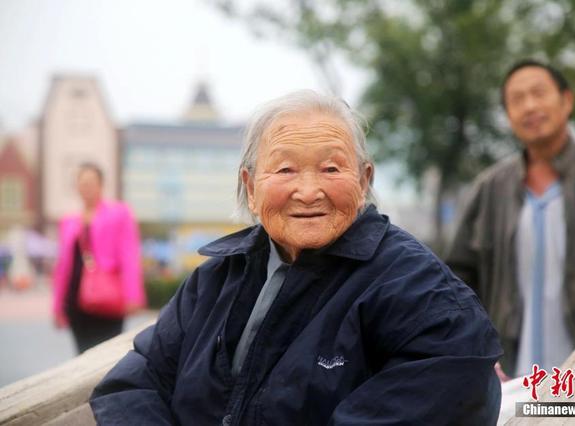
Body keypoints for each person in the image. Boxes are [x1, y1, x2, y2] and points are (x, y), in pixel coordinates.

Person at [90, 90, 503, 425]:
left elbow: (450, 387)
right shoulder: (215, 278)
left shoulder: (418, 289)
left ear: (364, 181)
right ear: (250, 187)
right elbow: (133, 384)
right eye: (285, 170)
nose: (308, 191)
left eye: (330, 169)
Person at [447, 59, 575, 379]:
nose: (530, 105)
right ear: (508, 115)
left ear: (567, 100)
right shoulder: (487, 191)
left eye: (539, 93)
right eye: (517, 99)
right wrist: (476, 355)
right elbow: (456, 284)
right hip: (513, 382)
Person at [52, 163, 146, 353]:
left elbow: (129, 256)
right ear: (77, 187)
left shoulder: (119, 214)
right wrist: (58, 306)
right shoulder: (69, 221)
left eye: (91, 183)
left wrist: (133, 295)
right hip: (76, 300)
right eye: (83, 183)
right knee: (82, 354)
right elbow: (63, 267)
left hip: (108, 297)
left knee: (107, 357)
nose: (86, 188)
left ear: (101, 185)